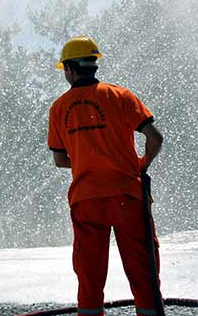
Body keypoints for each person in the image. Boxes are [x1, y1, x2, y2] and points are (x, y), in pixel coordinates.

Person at [47, 36, 164, 316]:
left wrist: (88, 158)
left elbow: (60, 160)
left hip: (86, 202)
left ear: (70, 70)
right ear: (93, 65)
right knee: (144, 276)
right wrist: (141, 164)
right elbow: (156, 138)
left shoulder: (58, 108)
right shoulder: (121, 96)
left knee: (89, 279)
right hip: (127, 197)